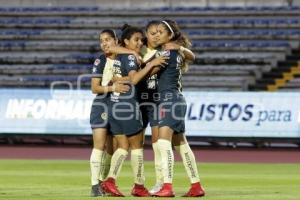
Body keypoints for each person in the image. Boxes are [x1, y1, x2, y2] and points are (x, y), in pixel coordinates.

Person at [101, 24, 168, 197]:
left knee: (123, 146)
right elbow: (135, 78)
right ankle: (137, 185)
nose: (139, 43)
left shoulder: (120, 56)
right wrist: (152, 63)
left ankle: (110, 181)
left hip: (115, 105)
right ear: (126, 41)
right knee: (137, 146)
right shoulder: (130, 57)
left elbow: (123, 76)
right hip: (128, 105)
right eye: (136, 40)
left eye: (141, 40)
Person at [152, 20, 205, 197]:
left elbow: (143, 74)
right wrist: (181, 49)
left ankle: (167, 186)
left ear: (170, 35)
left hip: (169, 100)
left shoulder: (165, 53)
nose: (157, 34)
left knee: (163, 142)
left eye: (161, 32)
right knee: (181, 143)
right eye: (155, 32)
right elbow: (192, 56)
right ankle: (196, 185)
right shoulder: (174, 51)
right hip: (177, 99)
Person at [89, 29, 130, 197]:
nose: (104, 43)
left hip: (118, 107)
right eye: (101, 40)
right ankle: (94, 185)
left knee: (115, 148)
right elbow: (94, 88)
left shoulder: (125, 59)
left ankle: (105, 181)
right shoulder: (100, 60)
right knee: (99, 145)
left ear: (116, 40)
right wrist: (113, 87)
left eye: (107, 39)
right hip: (101, 106)